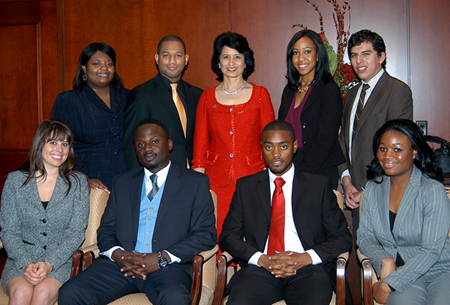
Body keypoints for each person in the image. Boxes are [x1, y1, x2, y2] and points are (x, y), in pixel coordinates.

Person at [58, 118, 216, 305]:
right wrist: (118, 255)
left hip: (167, 269)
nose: (147, 148)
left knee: (175, 299)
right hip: (122, 266)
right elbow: (106, 229)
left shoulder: (195, 183)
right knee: (70, 292)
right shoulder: (122, 182)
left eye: (154, 141)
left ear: (170, 144)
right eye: (140, 144)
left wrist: (162, 258)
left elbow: (205, 234)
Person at [220, 120, 352, 305]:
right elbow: (228, 236)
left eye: (283, 146)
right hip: (261, 269)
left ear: (295, 146)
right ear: (262, 148)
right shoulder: (246, 187)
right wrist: (261, 259)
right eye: (268, 147)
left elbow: (342, 237)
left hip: (308, 270)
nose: (275, 154)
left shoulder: (318, 186)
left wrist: (306, 258)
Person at [357, 119, 450, 305]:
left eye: (397, 149)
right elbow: (364, 236)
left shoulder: (431, 189)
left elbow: (431, 251)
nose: (387, 156)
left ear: (414, 151)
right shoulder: (373, 189)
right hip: (404, 273)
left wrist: (389, 284)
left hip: (441, 270)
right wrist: (384, 259)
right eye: (383, 149)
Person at [192, 32, 275, 237]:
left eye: (237, 56)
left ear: (246, 61)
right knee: (219, 236)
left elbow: (271, 143)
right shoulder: (207, 98)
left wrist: (272, 179)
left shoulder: (260, 95)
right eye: (226, 56)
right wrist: (196, 187)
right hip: (216, 183)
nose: (231, 62)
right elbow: (200, 148)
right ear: (218, 61)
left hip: (254, 180)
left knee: (252, 237)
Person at [0, 119, 89, 305]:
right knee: (20, 294)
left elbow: (76, 233)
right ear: (40, 144)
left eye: (65, 144)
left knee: (41, 294)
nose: (60, 149)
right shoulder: (15, 181)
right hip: (20, 259)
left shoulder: (78, 183)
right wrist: (25, 263)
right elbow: (9, 231)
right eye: (53, 142)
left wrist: (49, 263)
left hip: (60, 261)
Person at [338, 29, 413, 232]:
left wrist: (369, 190)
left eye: (366, 54)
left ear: (381, 56)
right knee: (365, 257)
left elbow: (397, 150)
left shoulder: (397, 91)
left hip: (385, 193)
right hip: (353, 193)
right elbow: (343, 141)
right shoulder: (352, 94)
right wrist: (346, 182)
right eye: (354, 55)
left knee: (385, 259)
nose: (359, 61)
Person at [51, 42, 129, 193]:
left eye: (109, 63)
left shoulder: (128, 96)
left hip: (126, 180)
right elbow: (58, 145)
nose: (104, 68)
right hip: (90, 183)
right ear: (84, 68)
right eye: (96, 63)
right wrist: (83, 178)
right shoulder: (68, 101)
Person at [124, 35, 203, 170]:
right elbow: (133, 145)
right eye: (166, 55)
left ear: (186, 59)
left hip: (194, 175)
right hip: (160, 175)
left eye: (178, 55)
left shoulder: (197, 94)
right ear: (157, 58)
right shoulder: (142, 94)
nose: (172, 61)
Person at [278, 29, 345, 189]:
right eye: (295, 53)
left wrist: (301, 173)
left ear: (318, 55)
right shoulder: (289, 91)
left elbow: (326, 139)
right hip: (289, 169)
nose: (301, 58)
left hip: (319, 170)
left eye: (307, 51)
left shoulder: (328, 89)